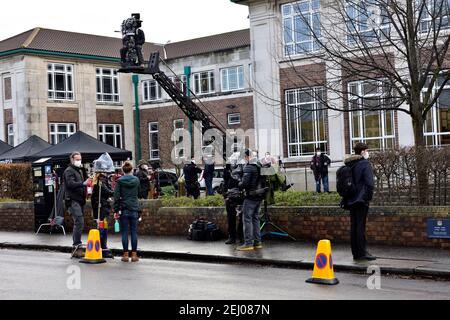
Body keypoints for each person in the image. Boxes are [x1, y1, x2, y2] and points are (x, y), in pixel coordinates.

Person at [341, 142, 376, 261]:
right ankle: (362, 253)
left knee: (354, 226)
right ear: (362, 152)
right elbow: (370, 183)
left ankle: (355, 252)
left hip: (350, 199)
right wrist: (367, 198)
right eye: (367, 151)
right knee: (360, 227)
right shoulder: (365, 164)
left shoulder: (350, 163)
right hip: (361, 200)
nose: (368, 153)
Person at [237, 149, 265, 251]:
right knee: (255, 218)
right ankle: (258, 242)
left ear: (246, 157)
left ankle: (248, 243)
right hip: (259, 195)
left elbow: (245, 183)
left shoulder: (249, 167)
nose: (244, 160)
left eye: (244, 158)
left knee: (247, 219)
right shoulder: (258, 165)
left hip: (251, 196)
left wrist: (239, 183)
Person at [114, 161, 141, 263]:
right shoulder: (136, 180)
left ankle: (125, 255)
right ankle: (134, 255)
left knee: (125, 232)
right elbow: (139, 193)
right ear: (132, 169)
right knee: (134, 232)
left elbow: (116, 197)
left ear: (122, 170)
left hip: (123, 209)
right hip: (134, 208)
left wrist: (116, 210)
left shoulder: (119, 181)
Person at [63, 152, 89, 256]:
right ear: (72, 160)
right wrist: (83, 183)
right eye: (77, 159)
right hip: (72, 200)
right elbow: (70, 184)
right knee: (79, 221)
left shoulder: (78, 171)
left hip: (79, 200)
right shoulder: (69, 171)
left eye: (80, 159)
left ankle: (76, 246)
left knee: (79, 222)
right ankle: (77, 246)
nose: (79, 161)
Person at [91, 172, 114, 253]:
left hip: (102, 206)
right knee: (102, 227)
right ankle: (102, 247)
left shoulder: (102, 180)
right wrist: (117, 192)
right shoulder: (100, 181)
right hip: (101, 207)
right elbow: (107, 191)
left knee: (103, 226)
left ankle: (103, 246)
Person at [223, 159, 244, 245]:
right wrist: (225, 195)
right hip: (230, 195)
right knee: (231, 217)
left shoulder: (242, 165)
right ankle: (232, 237)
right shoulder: (227, 167)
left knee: (242, 217)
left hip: (240, 195)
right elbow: (225, 180)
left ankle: (240, 236)